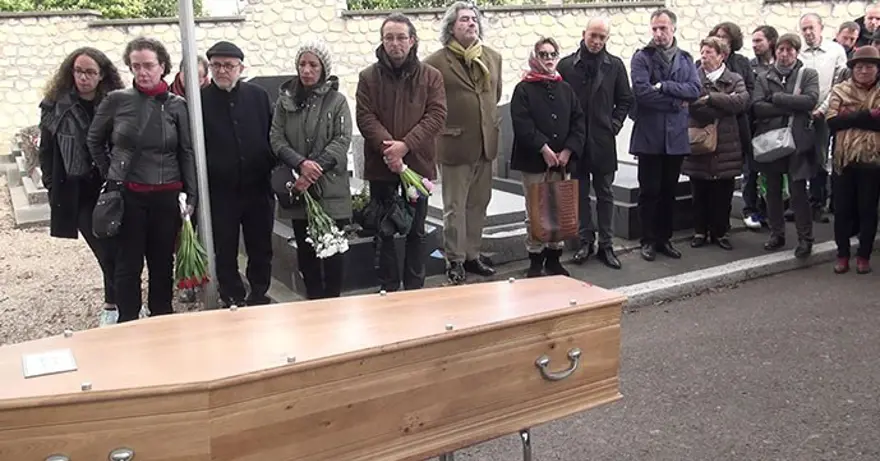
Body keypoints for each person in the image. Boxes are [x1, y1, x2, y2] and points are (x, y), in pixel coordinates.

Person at [87, 37, 198, 323]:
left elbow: (186, 151)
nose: (142, 72)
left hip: (166, 194)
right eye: (136, 66)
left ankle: (162, 320)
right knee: (128, 264)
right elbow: (94, 139)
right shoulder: (117, 101)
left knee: (162, 263)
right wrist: (111, 172)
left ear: (162, 66)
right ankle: (128, 321)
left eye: (148, 65)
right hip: (129, 195)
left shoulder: (177, 106)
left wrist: (192, 195)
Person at [356, 13, 447, 292]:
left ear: (412, 40)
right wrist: (390, 150)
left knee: (416, 231)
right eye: (389, 38)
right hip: (381, 166)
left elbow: (436, 115)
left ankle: (414, 289)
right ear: (382, 41)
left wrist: (405, 145)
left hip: (417, 166)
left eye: (400, 37)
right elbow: (365, 117)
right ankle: (388, 287)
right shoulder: (368, 77)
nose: (395, 43)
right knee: (384, 230)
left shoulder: (431, 76)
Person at [38, 47, 125, 326]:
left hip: (111, 185)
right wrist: (51, 186)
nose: (83, 78)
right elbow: (46, 150)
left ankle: (121, 301)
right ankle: (115, 305)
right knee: (104, 250)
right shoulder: (56, 106)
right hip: (77, 190)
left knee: (119, 248)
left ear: (102, 75)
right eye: (78, 71)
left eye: (90, 72)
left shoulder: (116, 103)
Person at [424, 1, 502, 285]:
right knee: (455, 207)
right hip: (454, 145)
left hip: (485, 143)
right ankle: (454, 259)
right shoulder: (434, 63)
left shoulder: (493, 57)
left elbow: (495, 95)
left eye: (474, 19)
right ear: (451, 27)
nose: (471, 23)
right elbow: (429, 104)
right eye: (464, 19)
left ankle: (472, 255)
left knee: (479, 204)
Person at [270, 40, 352, 300]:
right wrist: (300, 164)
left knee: (333, 252)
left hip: (330, 188)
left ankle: (333, 303)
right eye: (302, 64)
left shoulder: (337, 101)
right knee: (307, 254)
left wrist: (315, 169)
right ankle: (314, 303)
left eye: (313, 65)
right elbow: (276, 138)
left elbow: (341, 139)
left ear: (323, 68)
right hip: (299, 188)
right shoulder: (285, 102)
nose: (306, 70)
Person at [201, 41, 277, 307]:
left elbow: (272, 133)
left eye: (228, 65)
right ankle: (232, 296)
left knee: (261, 246)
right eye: (216, 65)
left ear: (241, 68)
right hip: (221, 191)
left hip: (258, 186)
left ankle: (259, 293)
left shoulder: (258, 96)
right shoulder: (199, 101)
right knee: (225, 248)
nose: (222, 71)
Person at [557, 16, 633, 270]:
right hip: (576, 141)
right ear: (584, 34)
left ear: (607, 39)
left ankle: (607, 245)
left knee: (605, 193)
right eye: (593, 35)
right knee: (579, 193)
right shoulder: (567, 65)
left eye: (602, 37)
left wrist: (614, 125)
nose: (597, 41)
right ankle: (585, 242)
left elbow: (625, 99)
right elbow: (559, 101)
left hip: (602, 139)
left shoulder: (615, 65)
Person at [629, 8, 701, 262]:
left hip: (676, 138)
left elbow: (694, 90)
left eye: (663, 28)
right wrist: (675, 102)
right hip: (649, 136)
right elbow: (642, 93)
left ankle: (664, 239)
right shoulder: (642, 58)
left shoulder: (686, 59)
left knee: (669, 191)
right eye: (655, 29)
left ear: (673, 29)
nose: (658, 33)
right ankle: (648, 240)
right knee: (649, 191)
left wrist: (665, 86)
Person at [510, 37, 586, 278]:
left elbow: (578, 122)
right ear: (535, 57)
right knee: (536, 212)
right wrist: (543, 148)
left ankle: (554, 258)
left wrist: (568, 150)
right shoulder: (523, 89)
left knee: (558, 209)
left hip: (562, 162)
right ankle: (535, 259)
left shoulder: (565, 89)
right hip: (535, 162)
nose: (549, 59)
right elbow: (522, 124)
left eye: (553, 54)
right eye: (543, 54)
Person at [751, 33, 819, 258]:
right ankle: (777, 234)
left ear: (797, 52)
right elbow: (757, 107)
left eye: (789, 50)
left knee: (798, 191)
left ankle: (805, 238)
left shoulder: (808, 74)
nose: (784, 54)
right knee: (772, 190)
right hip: (771, 139)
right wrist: (792, 104)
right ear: (775, 51)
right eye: (781, 49)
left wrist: (777, 98)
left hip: (798, 141)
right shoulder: (763, 77)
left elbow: (810, 101)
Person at [682, 37, 749, 250]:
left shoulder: (735, 78)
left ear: (721, 56)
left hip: (727, 144)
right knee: (699, 191)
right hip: (700, 142)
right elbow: (692, 105)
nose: (704, 56)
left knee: (723, 193)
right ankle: (700, 231)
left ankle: (721, 233)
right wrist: (723, 103)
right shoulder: (693, 77)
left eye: (710, 52)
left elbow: (740, 102)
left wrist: (710, 98)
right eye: (702, 51)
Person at [826, 45, 880, 274]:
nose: (863, 71)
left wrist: (850, 115)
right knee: (842, 210)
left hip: (873, 159)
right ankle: (842, 255)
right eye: (859, 67)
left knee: (868, 209)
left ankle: (864, 256)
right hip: (844, 159)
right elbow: (832, 121)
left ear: (877, 69)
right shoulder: (840, 90)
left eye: (869, 67)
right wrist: (869, 115)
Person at [800, 13, 848, 224]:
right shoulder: (798, 52)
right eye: (804, 29)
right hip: (801, 113)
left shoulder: (835, 51)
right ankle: (800, 204)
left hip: (824, 113)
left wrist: (822, 109)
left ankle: (817, 203)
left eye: (811, 28)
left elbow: (839, 84)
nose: (808, 32)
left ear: (821, 28)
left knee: (819, 158)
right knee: (800, 158)